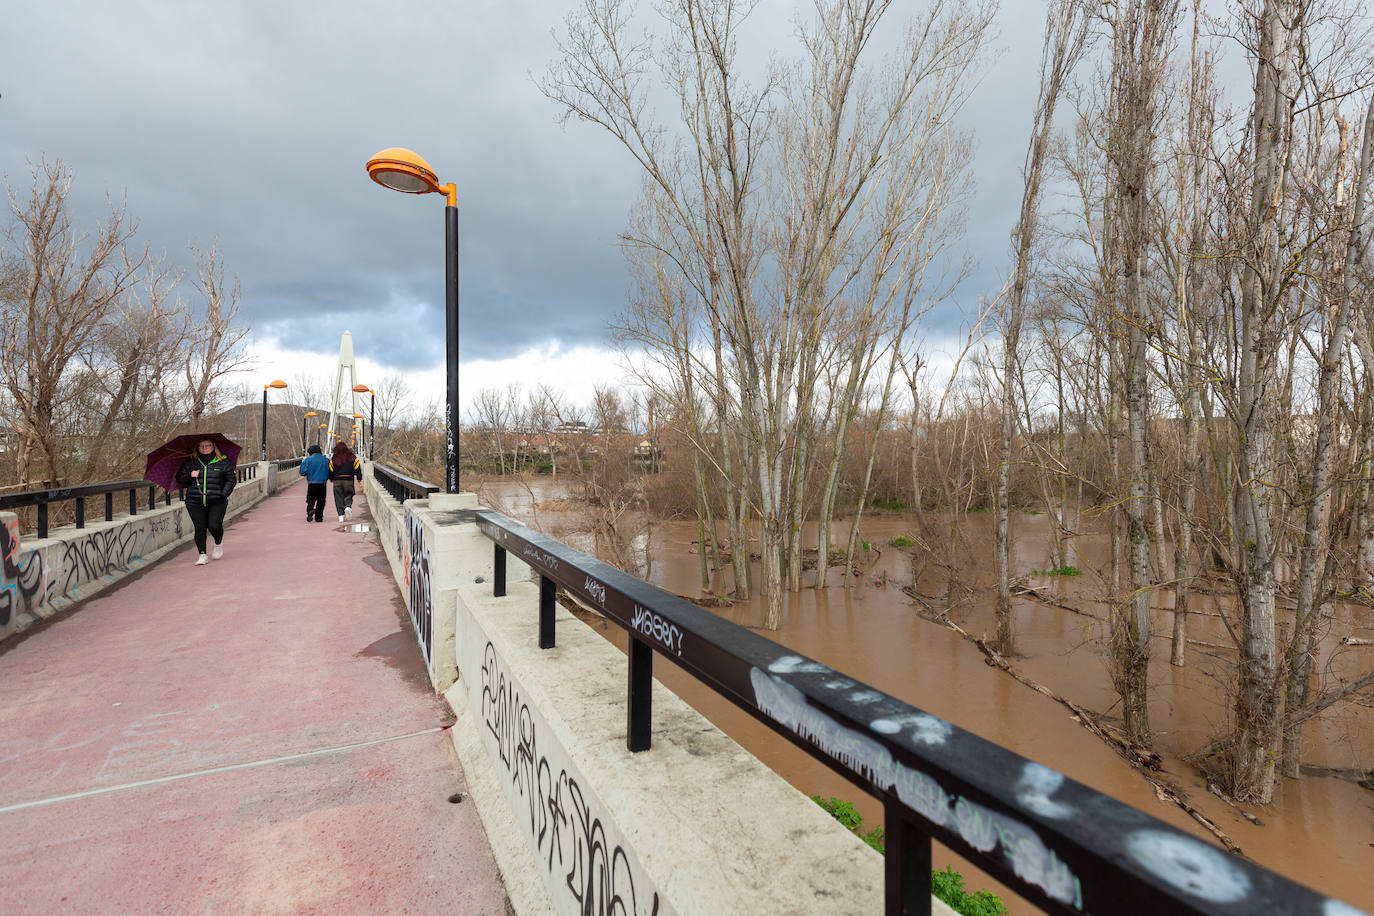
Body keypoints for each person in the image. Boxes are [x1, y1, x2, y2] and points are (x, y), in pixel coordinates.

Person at [175, 438, 236, 565]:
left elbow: (231, 480)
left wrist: (223, 494)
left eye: (208, 445)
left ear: (214, 446)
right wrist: (190, 475)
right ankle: (202, 555)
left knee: (214, 526)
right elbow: (180, 479)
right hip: (194, 501)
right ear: (197, 447)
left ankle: (218, 544)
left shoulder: (223, 462)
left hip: (217, 501)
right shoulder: (190, 462)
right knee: (200, 528)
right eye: (201, 446)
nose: (204, 448)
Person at [329, 441, 363, 522]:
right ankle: (348, 507)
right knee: (349, 494)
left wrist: (331, 478)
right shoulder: (352, 457)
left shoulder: (334, 458)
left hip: (337, 480)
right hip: (349, 480)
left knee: (338, 498)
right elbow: (358, 468)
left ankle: (341, 516)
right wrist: (359, 480)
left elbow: (330, 469)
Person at [299, 444, 330, 522]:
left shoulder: (308, 460)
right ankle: (319, 517)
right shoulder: (326, 460)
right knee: (321, 500)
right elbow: (330, 470)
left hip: (312, 483)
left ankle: (310, 510)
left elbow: (302, 472)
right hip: (323, 483)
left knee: (311, 499)